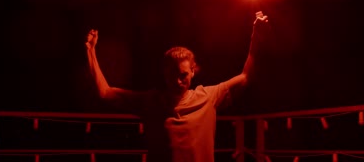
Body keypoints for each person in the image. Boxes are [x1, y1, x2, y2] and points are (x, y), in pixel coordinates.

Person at [85, 11, 269, 162]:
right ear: (164, 73)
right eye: (172, 75)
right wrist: (91, 52)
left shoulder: (208, 96)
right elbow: (105, 93)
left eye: (183, 75)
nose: (177, 81)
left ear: (193, 72)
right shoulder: (150, 101)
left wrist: (257, 36)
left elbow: (246, 77)